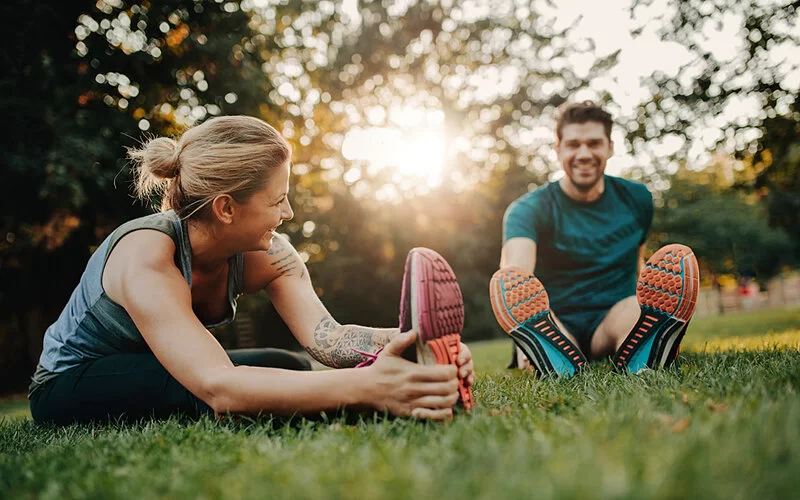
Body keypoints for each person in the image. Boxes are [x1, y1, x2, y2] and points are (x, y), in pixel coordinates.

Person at [28, 115, 474, 425]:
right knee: (208, 393)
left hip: (159, 367)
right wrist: (369, 388)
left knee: (290, 367)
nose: (290, 211)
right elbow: (219, 385)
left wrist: (414, 346)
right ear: (226, 208)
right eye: (277, 200)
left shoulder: (270, 255)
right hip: (72, 381)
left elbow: (330, 340)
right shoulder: (147, 254)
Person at [489, 101, 699, 375]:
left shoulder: (637, 199)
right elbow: (515, 277)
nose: (584, 153)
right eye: (574, 144)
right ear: (558, 149)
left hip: (614, 316)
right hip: (556, 319)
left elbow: (637, 261)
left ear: (610, 147)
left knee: (636, 313)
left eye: (594, 143)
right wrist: (518, 329)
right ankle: (540, 348)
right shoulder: (528, 209)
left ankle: (647, 346)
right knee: (544, 322)